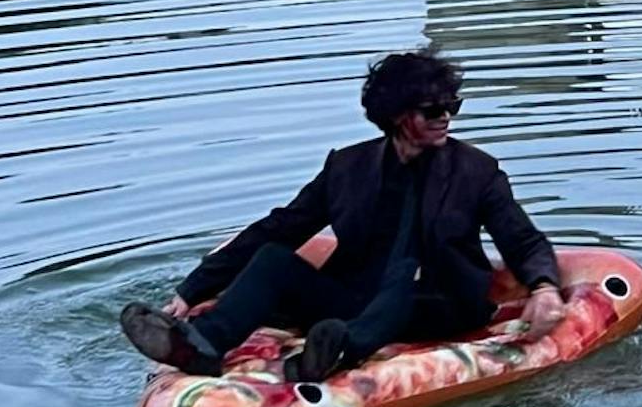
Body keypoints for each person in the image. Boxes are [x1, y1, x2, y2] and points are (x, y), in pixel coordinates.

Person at [119, 51, 565, 384]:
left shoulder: (475, 170)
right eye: (432, 110)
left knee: (403, 276)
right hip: (353, 297)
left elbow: (521, 239)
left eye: (453, 106)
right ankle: (204, 345)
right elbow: (280, 227)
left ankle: (338, 351)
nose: (445, 118)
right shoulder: (347, 168)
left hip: (434, 303)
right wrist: (192, 288)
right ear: (396, 117)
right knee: (275, 257)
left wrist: (544, 288)